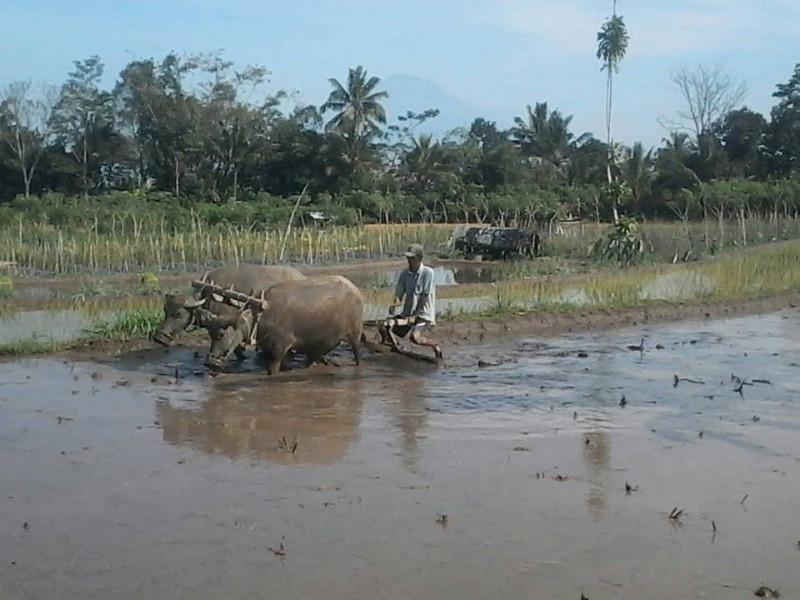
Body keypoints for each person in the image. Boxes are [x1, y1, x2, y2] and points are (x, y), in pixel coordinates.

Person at [381, 243, 443, 359]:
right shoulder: (405, 274)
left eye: (412, 258)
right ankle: (395, 346)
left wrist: (415, 316)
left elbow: (424, 296)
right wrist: (394, 304)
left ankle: (435, 346)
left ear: (419, 258)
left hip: (423, 314)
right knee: (385, 326)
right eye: (408, 258)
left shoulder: (428, 273)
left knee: (415, 338)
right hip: (408, 313)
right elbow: (399, 293)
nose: (409, 261)